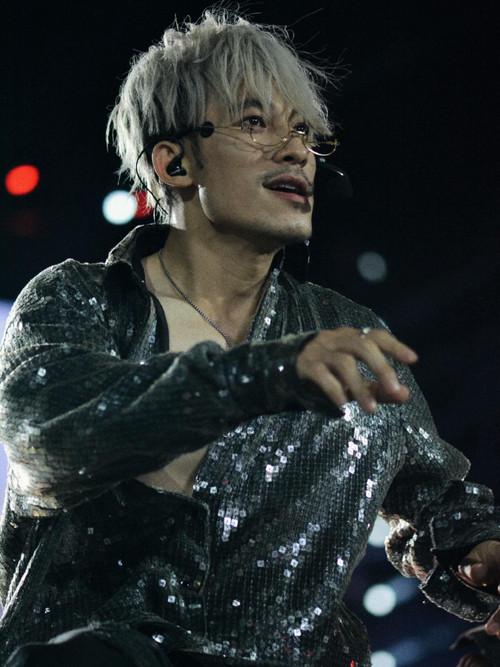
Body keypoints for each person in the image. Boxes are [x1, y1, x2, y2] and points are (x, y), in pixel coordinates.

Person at [0, 8, 499, 667]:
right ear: (175, 162)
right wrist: (264, 373)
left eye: (305, 134)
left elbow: (446, 512)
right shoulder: (78, 300)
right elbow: (45, 435)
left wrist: (481, 554)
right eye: (255, 123)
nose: (296, 151)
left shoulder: (348, 334)